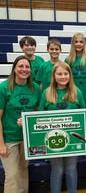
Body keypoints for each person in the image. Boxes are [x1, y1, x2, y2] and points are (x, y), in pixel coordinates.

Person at [39, 61, 86, 193]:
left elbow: (83, 114)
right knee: (57, 169)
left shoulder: (77, 92)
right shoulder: (46, 93)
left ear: (70, 75)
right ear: (54, 76)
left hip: (72, 138)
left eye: (66, 73)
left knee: (71, 168)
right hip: (53, 139)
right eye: (59, 74)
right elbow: (39, 118)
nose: (63, 76)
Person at [0, 55, 41, 193]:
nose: (24, 69)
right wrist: (0, 144)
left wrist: (28, 120)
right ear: (14, 69)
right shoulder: (4, 88)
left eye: (27, 67)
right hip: (9, 138)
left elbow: (37, 113)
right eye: (21, 66)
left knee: (23, 171)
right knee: (12, 175)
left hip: (27, 138)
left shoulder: (35, 88)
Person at [65, 33, 86, 109]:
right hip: (73, 96)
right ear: (72, 44)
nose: (78, 44)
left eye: (81, 42)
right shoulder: (68, 60)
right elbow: (66, 81)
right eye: (76, 42)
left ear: (84, 44)